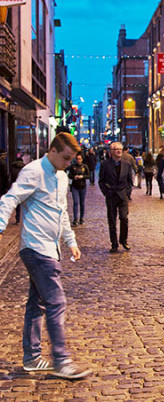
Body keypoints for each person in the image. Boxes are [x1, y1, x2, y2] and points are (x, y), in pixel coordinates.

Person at [0, 132, 89, 380]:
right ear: (52, 151)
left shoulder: (62, 177)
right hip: (36, 247)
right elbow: (9, 199)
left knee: (37, 303)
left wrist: (70, 241)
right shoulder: (33, 171)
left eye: (72, 159)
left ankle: (32, 358)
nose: (69, 163)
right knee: (56, 302)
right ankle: (61, 360)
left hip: (52, 248)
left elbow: (61, 212)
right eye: (66, 158)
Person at [98, 141, 136, 252]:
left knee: (124, 218)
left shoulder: (126, 164)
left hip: (122, 195)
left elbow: (130, 180)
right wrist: (106, 192)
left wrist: (127, 192)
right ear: (111, 152)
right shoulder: (105, 164)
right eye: (116, 149)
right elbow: (101, 181)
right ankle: (114, 244)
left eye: (120, 149)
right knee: (112, 220)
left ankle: (123, 240)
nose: (119, 151)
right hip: (111, 195)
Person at [66, 151, 89, 226]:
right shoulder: (73, 166)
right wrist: (74, 177)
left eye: (79, 159)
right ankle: (75, 219)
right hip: (75, 186)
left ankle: (81, 218)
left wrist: (82, 177)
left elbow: (88, 175)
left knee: (82, 203)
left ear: (82, 159)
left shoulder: (84, 166)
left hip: (82, 186)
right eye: (77, 159)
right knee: (75, 202)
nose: (78, 160)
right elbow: (69, 175)